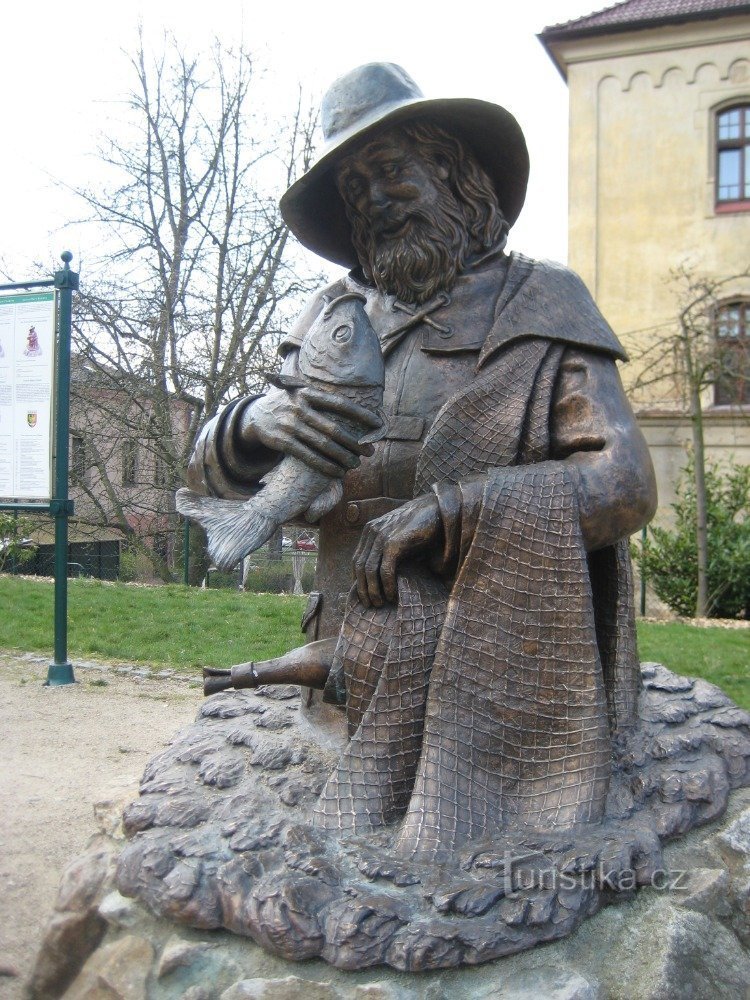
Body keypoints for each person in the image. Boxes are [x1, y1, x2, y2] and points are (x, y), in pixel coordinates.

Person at [188, 63, 656, 860]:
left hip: (502, 677)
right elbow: (208, 474)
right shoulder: (334, 317)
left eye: (392, 170)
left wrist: (458, 510)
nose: (372, 197)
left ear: (453, 172)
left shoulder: (541, 302)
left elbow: (625, 485)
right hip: (345, 669)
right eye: (354, 183)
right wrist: (256, 421)